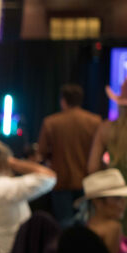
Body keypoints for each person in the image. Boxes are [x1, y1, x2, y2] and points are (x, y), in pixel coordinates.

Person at [89, 76, 127, 246]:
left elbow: (92, 168)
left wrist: (110, 172)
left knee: (119, 251)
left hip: (115, 201)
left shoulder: (106, 128)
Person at [38, 83, 101, 225]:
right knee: (87, 224)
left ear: (63, 101)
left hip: (61, 182)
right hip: (87, 182)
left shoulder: (51, 122)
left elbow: (41, 152)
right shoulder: (95, 121)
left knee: (64, 225)